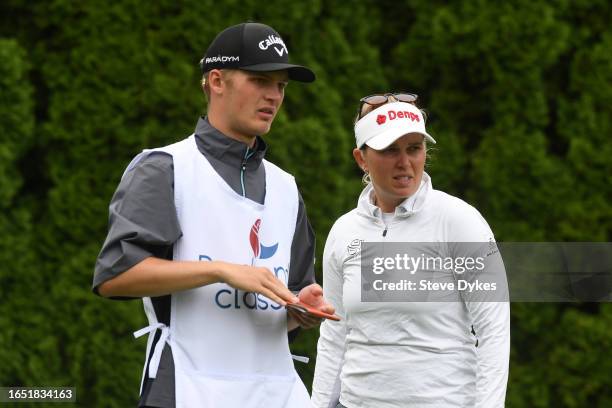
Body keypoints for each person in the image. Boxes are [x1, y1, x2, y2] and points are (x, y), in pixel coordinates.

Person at [93, 22, 334, 408]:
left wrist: (303, 309)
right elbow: (115, 275)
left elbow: (287, 307)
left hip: (277, 392)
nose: (273, 96)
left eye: (281, 86)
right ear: (217, 81)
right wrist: (221, 270)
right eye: (260, 80)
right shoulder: (164, 168)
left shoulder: (287, 188)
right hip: (186, 387)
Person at [311, 94, 510, 407]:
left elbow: (493, 331)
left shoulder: (459, 220)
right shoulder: (343, 231)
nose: (404, 162)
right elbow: (335, 335)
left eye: (414, 148)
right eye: (390, 149)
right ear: (361, 158)